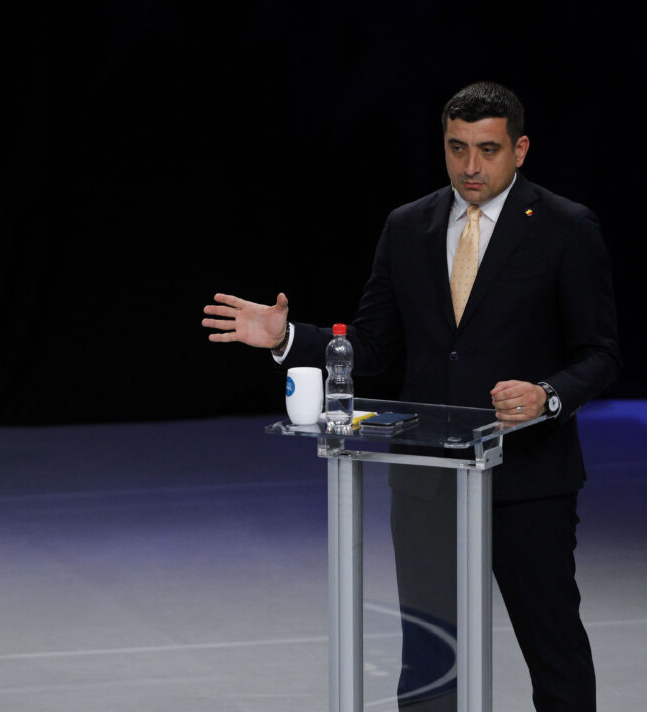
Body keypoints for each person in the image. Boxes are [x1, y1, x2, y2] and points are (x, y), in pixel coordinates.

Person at [202, 82, 620, 711]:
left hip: (528, 479)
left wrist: (547, 395)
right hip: (427, 483)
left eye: (487, 150)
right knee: (430, 655)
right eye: (456, 148)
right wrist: (288, 338)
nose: (470, 166)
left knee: (553, 648)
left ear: (520, 150)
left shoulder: (566, 226)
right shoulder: (407, 226)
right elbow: (374, 347)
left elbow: (601, 353)